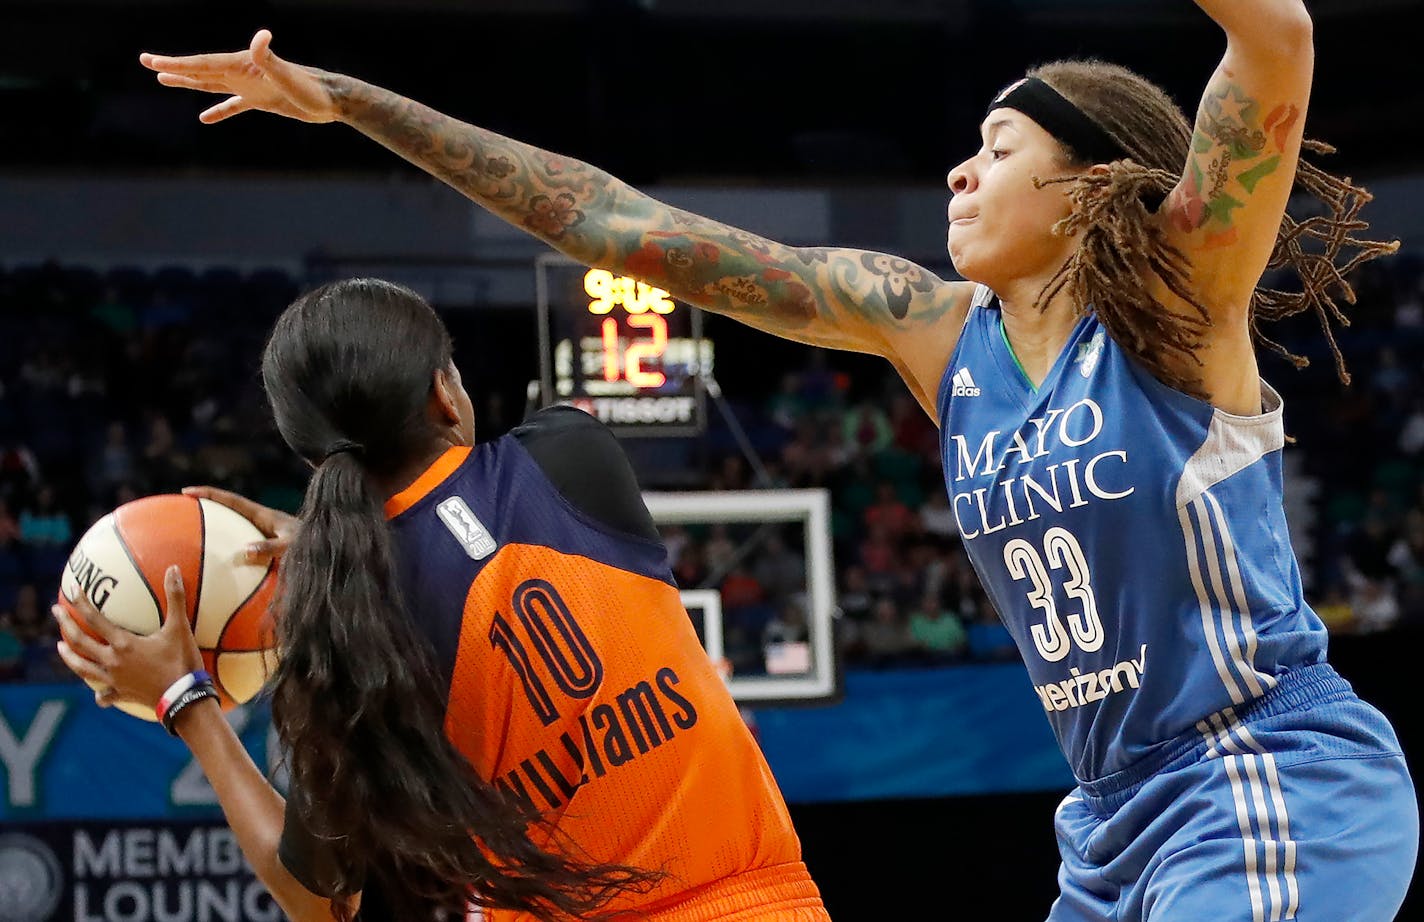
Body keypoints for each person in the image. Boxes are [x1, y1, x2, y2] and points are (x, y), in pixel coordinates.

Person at [133, 4, 1418, 917]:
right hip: (1104, 819)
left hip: (1254, 768)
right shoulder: (929, 332)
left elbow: (1275, 41)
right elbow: (611, 220)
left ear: (1087, 185)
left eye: (1001, 146)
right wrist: (348, 101)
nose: (961, 169)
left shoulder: (1182, 306)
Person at [53, 279, 831, 921]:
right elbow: (448, 534)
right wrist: (328, 552)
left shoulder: (346, 642)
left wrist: (187, 700)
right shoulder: (573, 453)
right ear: (443, 395)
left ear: (307, 453)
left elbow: (320, 899)